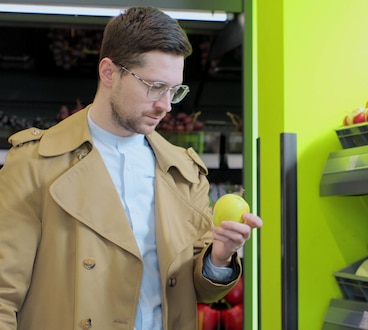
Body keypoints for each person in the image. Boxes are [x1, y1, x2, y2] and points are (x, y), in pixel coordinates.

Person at [0, 6, 262, 330]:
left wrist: (219, 256)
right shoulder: (33, 165)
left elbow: (198, 289)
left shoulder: (183, 173)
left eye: (174, 90)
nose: (165, 105)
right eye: (154, 87)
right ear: (109, 72)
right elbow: (3, 294)